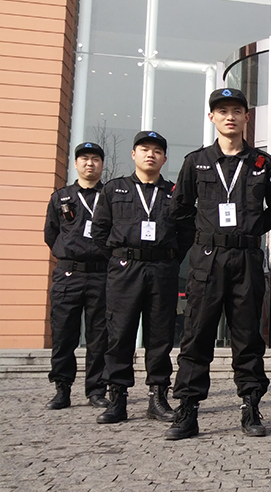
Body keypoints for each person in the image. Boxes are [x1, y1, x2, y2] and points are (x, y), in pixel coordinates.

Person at [165, 88, 271, 440]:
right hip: (207, 260)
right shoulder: (196, 162)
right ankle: (188, 409)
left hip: (246, 259)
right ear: (212, 117)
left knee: (247, 336)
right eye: (222, 111)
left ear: (247, 117)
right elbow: (178, 209)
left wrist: (250, 230)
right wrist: (206, 233)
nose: (229, 116)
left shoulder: (262, 163)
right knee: (196, 334)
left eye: (236, 110)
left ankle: (250, 405)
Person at [91, 131, 194, 424]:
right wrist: (118, 258)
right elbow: (99, 231)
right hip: (125, 270)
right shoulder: (114, 189)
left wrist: (170, 258)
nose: (151, 154)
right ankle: (117, 399)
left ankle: (157, 397)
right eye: (144, 149)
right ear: (133, 155)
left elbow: (187, 232)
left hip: (162, 269)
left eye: (157, 151)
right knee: (120, 333)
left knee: (160, 335)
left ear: (164, 158)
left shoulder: (174, 193)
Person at [43, 142, 110, 410]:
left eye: (95, 159)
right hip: (68, 274)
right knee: (63, 334)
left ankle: (96, 390)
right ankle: (62, 388)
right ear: (76, 164)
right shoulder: (61, 197)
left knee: (99, 336)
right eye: (84, 159)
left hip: (101, 274)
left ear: (101, 164)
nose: (89, 163)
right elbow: (51, 234)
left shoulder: (110, 196)